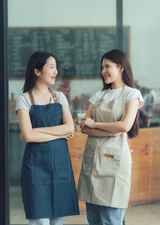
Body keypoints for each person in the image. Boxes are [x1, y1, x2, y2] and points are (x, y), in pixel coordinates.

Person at [77, 49, 144, 225]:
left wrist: (95, 124)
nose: (103, 71)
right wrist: (111, 130)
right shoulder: (98, 95)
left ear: (121, 67)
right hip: (93, 163)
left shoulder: (132, 94)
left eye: (108, 66)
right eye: (102, 67)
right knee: (94, 219)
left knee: (111, 220)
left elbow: (124, 126)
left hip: (114, 166)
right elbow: (84, 128)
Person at [16, 51, 79, 225]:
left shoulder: (60, 97)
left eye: (56, 68)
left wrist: (37, 131)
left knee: (57, 220)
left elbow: (70, 127)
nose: (55, 72)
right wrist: (58, 133)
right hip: (35, 169)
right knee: (40, 221)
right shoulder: (24, 99)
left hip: (60, 166)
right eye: (51, 67)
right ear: (37, 71)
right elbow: (28, 135)